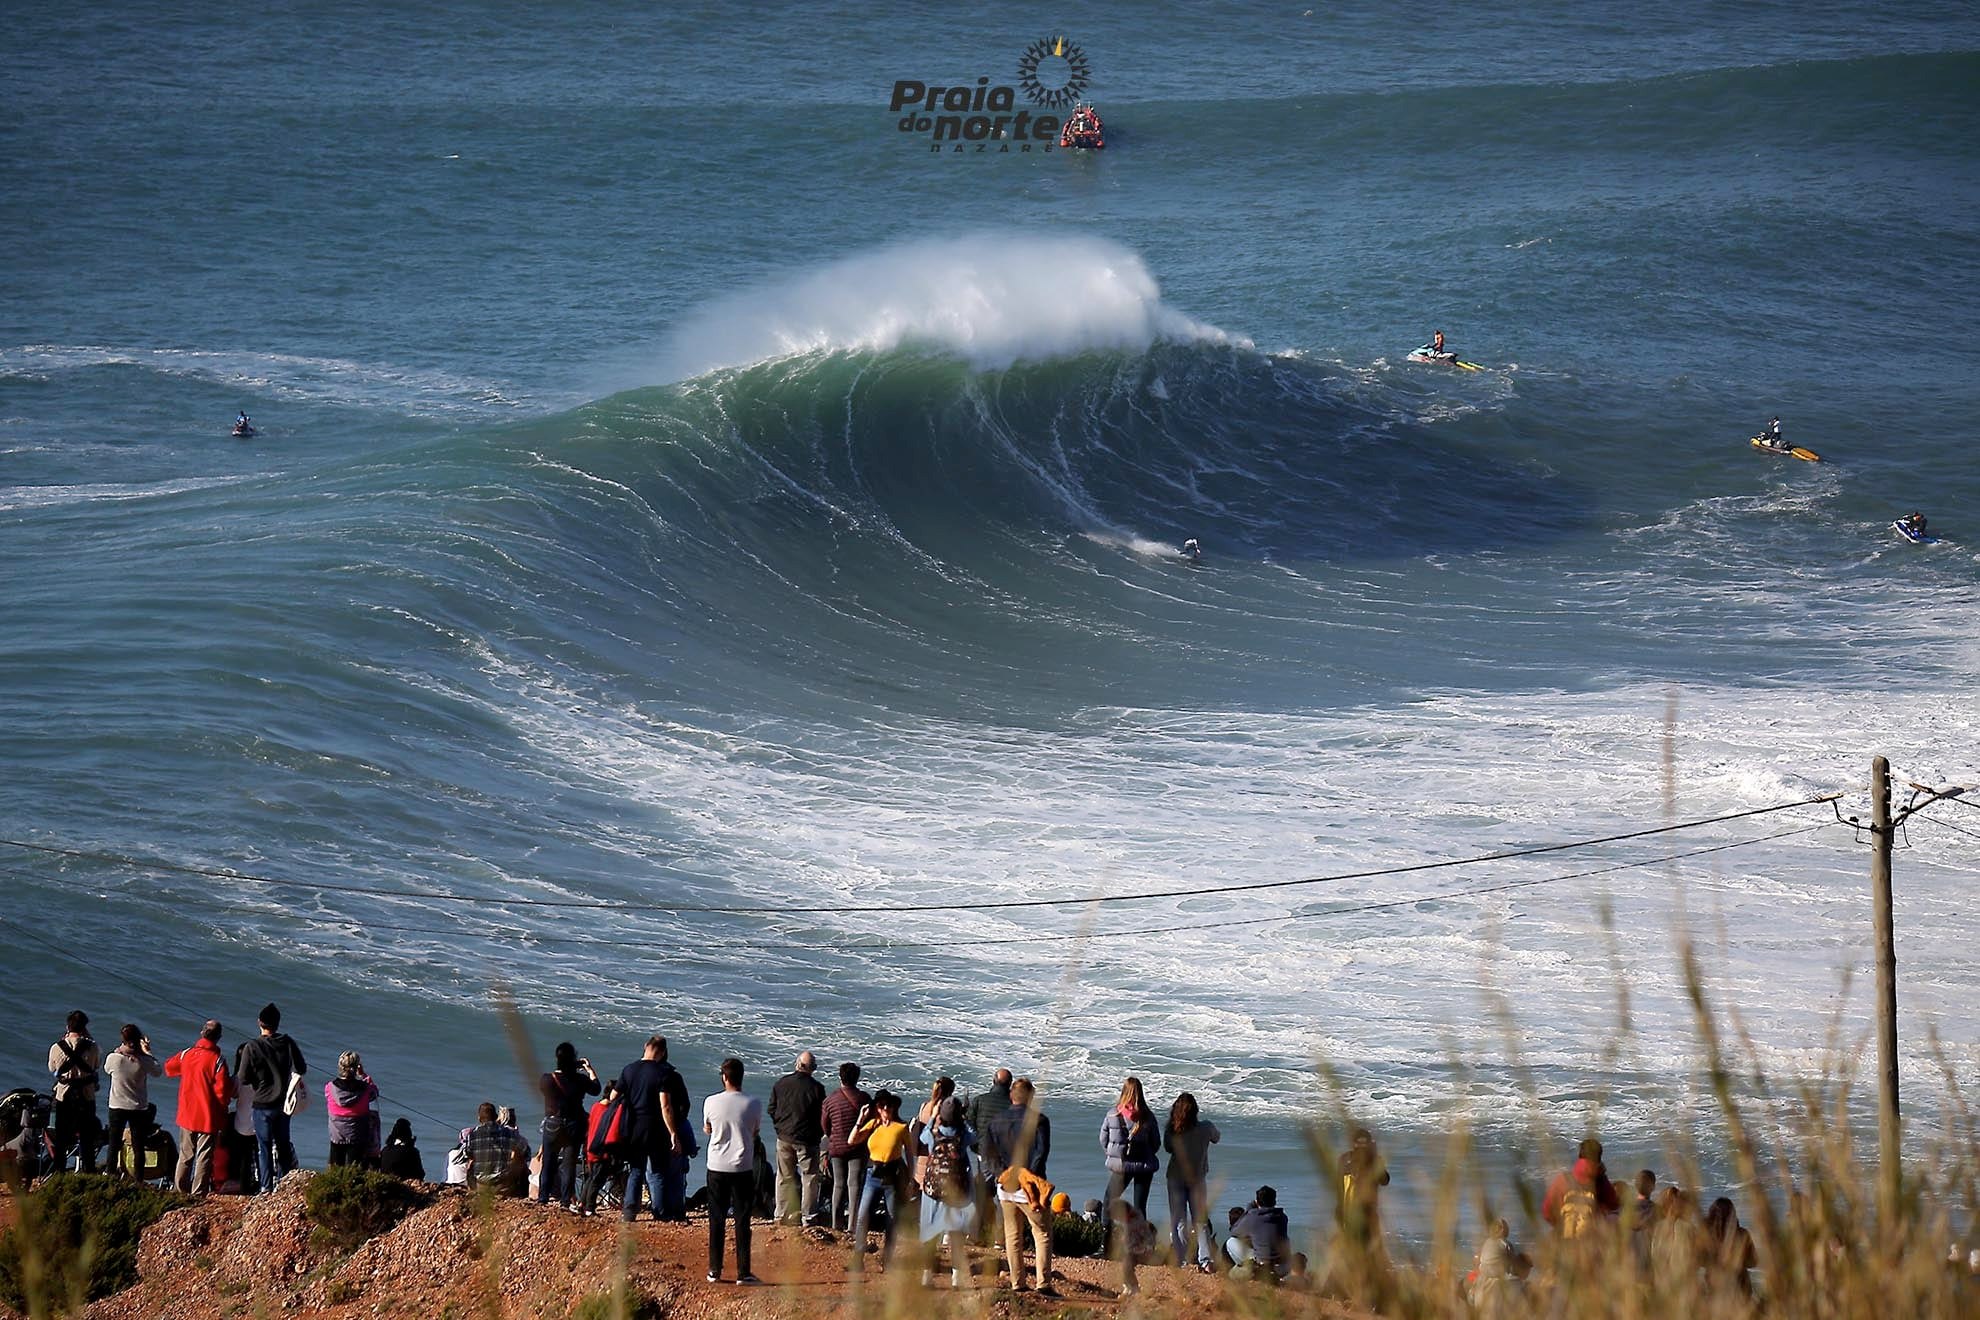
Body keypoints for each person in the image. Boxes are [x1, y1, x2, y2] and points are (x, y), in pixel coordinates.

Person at [616, 1035, 695, 1222]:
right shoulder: (666, 1074)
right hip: (659, 1130)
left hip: (634, 1128)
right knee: (661, 1172)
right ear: (663, 1052)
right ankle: (662, 1212)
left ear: (646, 1046)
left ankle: (629, 1212)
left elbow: (614, 1097)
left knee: (636, 1170)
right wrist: (674, 1130)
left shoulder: (630, 1070)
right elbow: (669, 1106)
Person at [233, 1003, 306, 1194]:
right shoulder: (288, 1042)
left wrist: (258, 1080)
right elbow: (301, 1068)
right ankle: (285, 1185)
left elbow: (243, 1078)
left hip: (262, 1104)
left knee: (263, 1147)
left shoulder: (252, 1046)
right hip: (283, 1103)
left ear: (259, 1022)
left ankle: (266, 1187)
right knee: (283, 1146)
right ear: (278, 1023)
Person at [703, 1057, 763, 1285]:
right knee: (742, 1219)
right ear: (742, 1077)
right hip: (742, 1166)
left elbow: (708, 1128)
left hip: (716, 1165)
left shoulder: (710, 1101)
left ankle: (714, 1270)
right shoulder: (753, 1103)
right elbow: (754, 1131)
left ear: (724, 1077)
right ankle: (743, 1272)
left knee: (716, 1218)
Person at [163, 1020, 231, 1195]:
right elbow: (222, 1093)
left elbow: (169, 1067)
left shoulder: (186, 1054)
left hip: (187, 1113)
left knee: (185, 1155)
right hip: (208, 1116)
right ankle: (198, 1193)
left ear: (202, 1033)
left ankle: (180, 1190)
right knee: (204, 1156)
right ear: (219, 1037)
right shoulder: (217, 1061)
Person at [848, 1090, 912, 1275]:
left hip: (891, 1177)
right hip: (872, 1175)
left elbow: (909, 1153)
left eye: (888, 1105)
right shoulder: (873, 1124)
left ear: (894, 1107)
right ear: (877, 1108)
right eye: (881, 1105)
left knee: (891, 1220)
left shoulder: (901, 1127)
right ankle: (858, 1259)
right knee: (862, 1217)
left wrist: (912, 1178)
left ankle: (888, 1260)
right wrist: (861, 1118)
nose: (885, 1109)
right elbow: (852, 1140)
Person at [917, 1096, 977, 1288]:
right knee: (956, 1236)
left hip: (932, 1193)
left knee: (930, 1235)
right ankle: (956, 1278)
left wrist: (933, 1117)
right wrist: (964, 1119)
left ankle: (926, 1277)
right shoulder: (963, 1136)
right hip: (956, 1192)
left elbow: (922, 1136)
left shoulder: (932, 1134)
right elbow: (975, 1135)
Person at [537, 1043, 599, 1211]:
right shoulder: (580, 1079)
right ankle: (565, 1201)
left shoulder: (546, 1079)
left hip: (553, 1123)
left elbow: (547, 1089)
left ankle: (543, 1198)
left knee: (548, 1162)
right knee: (569, 1164)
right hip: (574, 1124)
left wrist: (568, 1068)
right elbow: (596, 1089)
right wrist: (589, 1070)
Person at [767, 1050, 825, 1226]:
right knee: (810, 1177)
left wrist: (780, 1127)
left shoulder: (781, 1084)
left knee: (784, 1176)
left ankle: (781, 1214)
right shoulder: (817, 1088)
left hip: (784, 1136)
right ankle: (808, 1216)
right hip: (807, 1140)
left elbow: (771, 1109)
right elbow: (822, 1117)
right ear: (813, 1068)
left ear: (797, 1064)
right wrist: (818, 1134)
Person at [1164, 1092, 1219, 1272]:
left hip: (1175, 1177)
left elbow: (1167, 1148)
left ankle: (1183, 1261)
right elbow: (1217, 1137)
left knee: (1179, 1221)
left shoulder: (1173, 1130)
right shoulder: (1206, 1128)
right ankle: (1206, 1260)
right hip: (1197, 1179)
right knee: (1200, 1221)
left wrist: (1172, 1122)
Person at [1099, 1076, 1160, 1232]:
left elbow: (1103, 1139)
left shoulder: (1113, 1115)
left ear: (1123, 1092)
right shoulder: (1148, 1117)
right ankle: (1141, 1241)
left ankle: (1106, 1237)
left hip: (1122, 1165)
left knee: (1109, 1201)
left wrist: (1114, 1155)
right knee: (1140, 1207)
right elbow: (1156, 1143)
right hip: (1144, 1166)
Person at [102, 1023, 164, 1179]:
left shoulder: (114, 1058)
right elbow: (157, 1071)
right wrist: (147, 1052)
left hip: (117, 1105)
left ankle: (110, 1174)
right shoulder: (144, 1060)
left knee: (114, 1143)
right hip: (138, 1107)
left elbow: (107, 1069)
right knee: (138, 1146)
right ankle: (138, 1179)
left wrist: (119, 1050)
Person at [47, 1011, 103, 1173]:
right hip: (86, 1096)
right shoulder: (93, 1047)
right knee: (87, 1137)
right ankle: (88, 1171)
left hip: (63, 1095)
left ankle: (59, 1171)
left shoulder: (57, 1047)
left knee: (61, 1137)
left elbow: (52, 1068)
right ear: (85, 1028)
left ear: (67, 1026)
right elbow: (96, 1065)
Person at [820, 1062, 871, 1234]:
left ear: (840, 1077)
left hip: (837, 1147)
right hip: (858, 1147)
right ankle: (852, 1226)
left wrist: (833, 1136)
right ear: (857, 1078)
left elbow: (825, 1125)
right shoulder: (864, 1098)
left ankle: (836, 1224)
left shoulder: (830, 1100)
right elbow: (870, 1123)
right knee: (854, 1185)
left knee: (838, 1184)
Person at [995, 1160, 1057, 1295]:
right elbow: (1039, 1154)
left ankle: (1017, 1283)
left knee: (1012, 1236)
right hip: (1030, 1189)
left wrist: (1003, 1173)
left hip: (1005, 1187)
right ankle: (1043, 1284)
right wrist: (1027, 1175)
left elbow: (987, 1153)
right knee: (1043, 1234)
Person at [967, 1069, 1014, 1243]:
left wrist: (976, 1147)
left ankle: (974, 1235)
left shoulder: (980, 1100)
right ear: (1010, 1084)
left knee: (980, 1195)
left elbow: (969, 1126)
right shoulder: (1013, 1104)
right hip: (1007, 1158)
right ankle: (1000, 1240)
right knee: (1003, 1198)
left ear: (993, 1081)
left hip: (984, 1156)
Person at [1541, 1136, 1621, 1241]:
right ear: (1599, 1159)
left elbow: (1547, 1212)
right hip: (1591, 1241)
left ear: (1580, 1155)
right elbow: (1614, 1205)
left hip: (1566, 1239)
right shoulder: (1600, 1181)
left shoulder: (1563, 1179)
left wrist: (1562, 1227)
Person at [324, 1051, 378, 1168]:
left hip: (336, 1135)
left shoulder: (330, 1087)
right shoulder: (366, 1089)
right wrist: (363, 1075)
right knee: (355, 1169)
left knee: (336, 1168)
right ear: (356, 1067)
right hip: (358, 1135)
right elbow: (374, 1093)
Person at [1227, 1186, 1293, 1281]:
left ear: (1257, 1202)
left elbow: (1234, 1231)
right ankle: (1275, 1275)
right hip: (1284, 1267)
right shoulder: (1283, 1217)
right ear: (1275, 1201)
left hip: (1263, 1267)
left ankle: (1256, 1273)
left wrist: (1248, 1210)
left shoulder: (1252, 1217)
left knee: (1231, 1241)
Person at [578, 1080, 623, 1217]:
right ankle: (589, 1208)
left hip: (590, 1148)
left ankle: (582, 1203)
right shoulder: (609, 1112)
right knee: (597, 1180)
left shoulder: (595, 1106)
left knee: (591, 1178)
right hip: (601, 1150)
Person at [464, 1101, 529, 1195]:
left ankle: (473, 1191)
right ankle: (523, 1193)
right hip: (503, 1184)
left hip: (481, 1184)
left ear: (479, 1118)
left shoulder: (472, 1135)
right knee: (519, 1161)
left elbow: (467, 1154)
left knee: (471, 1163)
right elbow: (526, 1152)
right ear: (496, 1117)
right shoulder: (510, 1133)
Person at [1703, 1196, 1756, 1297]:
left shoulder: (1707, 1236)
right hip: (1740, 1286)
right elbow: (1753, 1262)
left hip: (1714, 1285)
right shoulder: (1743, 1234)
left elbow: (1700, 1261)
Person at [1112, 1195, 1157, 1297]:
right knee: (1126, 1266)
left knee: (1127, 1265)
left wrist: (1147, 1248)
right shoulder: (1129, 1222)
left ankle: (1133, 1288)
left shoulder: (1136, 1222)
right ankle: (1128, 1287)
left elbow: (1146, 1237)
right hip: (1134, 1249)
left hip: (1140, 1250)